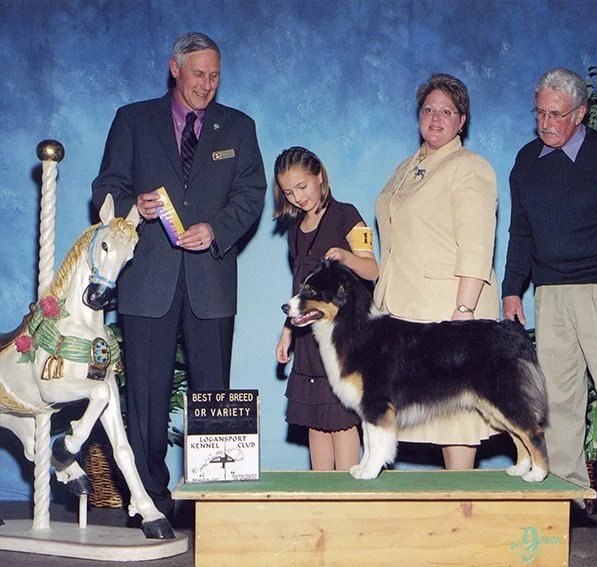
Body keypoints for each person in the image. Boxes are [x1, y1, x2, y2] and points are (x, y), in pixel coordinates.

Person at [92, 32, 266, 519]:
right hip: (147, 281)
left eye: (214, 76)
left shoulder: (238, 127)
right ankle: (150, 498)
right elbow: (107, 186)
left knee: (213, 395)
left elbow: (252, 193)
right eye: (197, 75)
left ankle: (211, 502)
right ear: (175, 68)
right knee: (145, 399)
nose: (206, 85)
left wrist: (216, 229)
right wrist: (133, 208)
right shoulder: (132, 119)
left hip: (210, 282)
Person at [502, 67, 597, 541]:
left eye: (556, 114)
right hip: (551, 295)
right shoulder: (526, 161)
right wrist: (512, 288)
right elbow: (521, 232)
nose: (546, 122)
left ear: (580, 113)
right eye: (540, 112)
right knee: (561, 400)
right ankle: (567, 493)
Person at [374, 73, 500, 470]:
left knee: (458, 415)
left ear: (462, 120)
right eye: (428, 109)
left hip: (448, 310)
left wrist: (463, 314)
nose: (435, 118)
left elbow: (477, 247)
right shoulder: (405, 168)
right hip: (402, 309)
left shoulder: (470, 168)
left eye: (446, 111)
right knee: (409, 413)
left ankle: (461, 502)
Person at [273, 146, 378, 470]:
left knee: (342, 420)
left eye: (302, 187)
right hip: (308, 338)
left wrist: (347, 257)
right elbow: (299, 290)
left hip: (341, 339)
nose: (297, 198)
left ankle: (348, 499)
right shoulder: (294, 228)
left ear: (320, 176)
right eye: (289, 192)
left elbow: (373, 270)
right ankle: (319, 498)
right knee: (315, 422)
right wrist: (287, 331)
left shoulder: (348, 215)